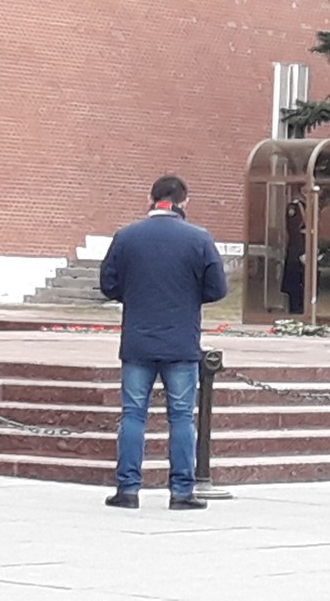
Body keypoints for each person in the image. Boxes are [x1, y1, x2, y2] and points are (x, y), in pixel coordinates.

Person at [100, 175, 228, 511]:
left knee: (132, 415)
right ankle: (182, 491)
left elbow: (109, 285)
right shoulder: (199, 239)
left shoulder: (126, 236)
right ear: (184, 202)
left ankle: (127, 490)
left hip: (138, 341)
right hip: (181, 342)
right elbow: (217, 289)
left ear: (150, 198)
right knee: (182, 416)